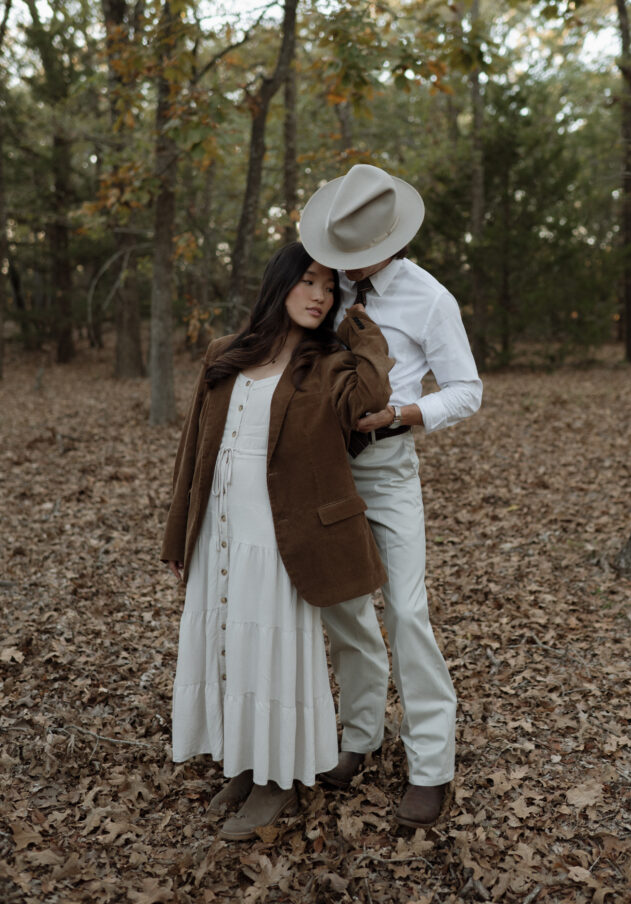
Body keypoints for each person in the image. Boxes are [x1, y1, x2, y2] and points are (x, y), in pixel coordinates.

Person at [161, 242, 393, 841]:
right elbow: (194, 449)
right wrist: (179, 533)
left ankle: (276, 780)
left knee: (270, 651)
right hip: (221, 528)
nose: (320, 295)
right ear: (279, 283)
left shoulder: (328, 364)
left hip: (279, 534)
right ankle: (244, 763)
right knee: (229, 647)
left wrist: (360, 328)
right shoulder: (225, 353)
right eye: (308, 281)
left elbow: (370, 397)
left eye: (329, 287)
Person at [300, 163, 482, 829]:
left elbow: (466, 390)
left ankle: (431, 767)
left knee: (406, 611)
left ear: (390, 241)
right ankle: (359, 736)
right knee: (345, 608)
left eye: (356, 253)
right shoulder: (321, 288)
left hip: (387, 465)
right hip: (323, 466)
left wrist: (404, 413)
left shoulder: (429, 299)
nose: (345, 266)